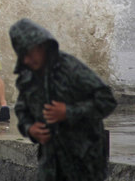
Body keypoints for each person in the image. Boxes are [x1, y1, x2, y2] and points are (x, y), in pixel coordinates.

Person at [10, 18, 117, 181]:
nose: (27, 60)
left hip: (84, 162)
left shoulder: (71, 69)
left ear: (42, 46)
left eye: (29, 53)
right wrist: (30, 129)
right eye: (22, 55)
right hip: (50, 163)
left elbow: (107, 100)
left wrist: (68, 112)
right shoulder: (28, 77)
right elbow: (21, 109)